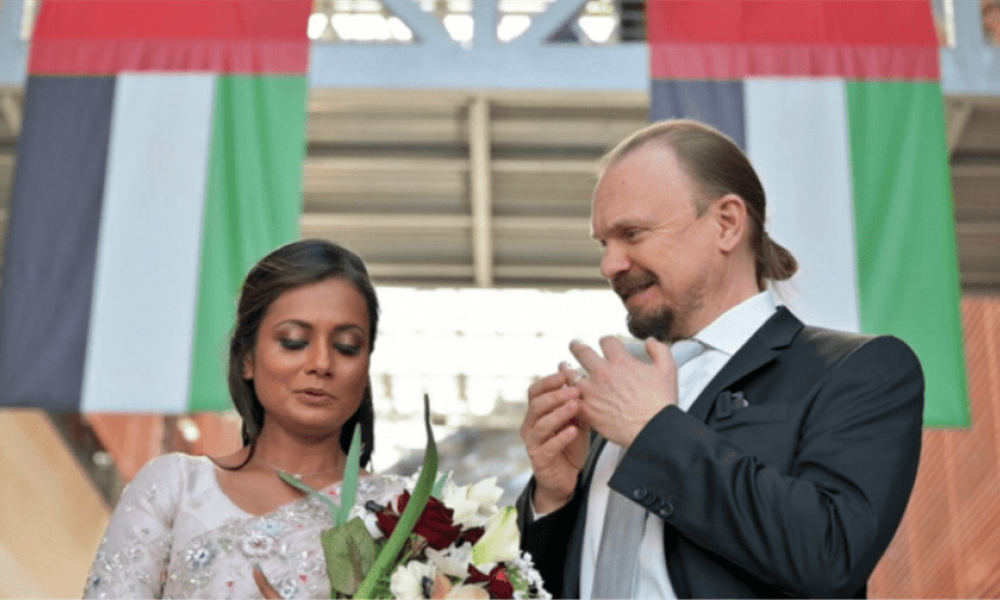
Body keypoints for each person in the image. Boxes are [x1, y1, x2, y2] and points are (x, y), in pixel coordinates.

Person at [516, 119, 924, 599]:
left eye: (633, 233)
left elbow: (831, 554)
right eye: (605, 243)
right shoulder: (618, 398)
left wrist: (652, 432)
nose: (610, 265)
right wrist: (554, 498)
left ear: (727, 223)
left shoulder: (859, 370)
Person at [83, 239, 406, 599]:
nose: (321, 363)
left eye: (347, 346)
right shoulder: (176, 488)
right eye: (294, 341)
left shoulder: (405, 512)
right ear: (247, 358)